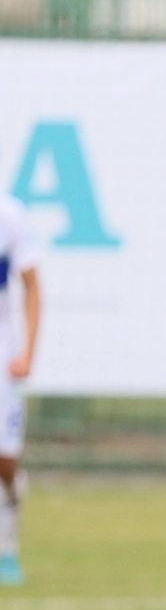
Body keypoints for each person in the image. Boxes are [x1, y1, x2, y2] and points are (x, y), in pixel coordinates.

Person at [0, 194, 41, 587]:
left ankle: (8, 546)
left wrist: (27, 350)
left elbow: (32, 286)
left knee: (5, 461)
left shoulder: (9, 215)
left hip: (3, 356)